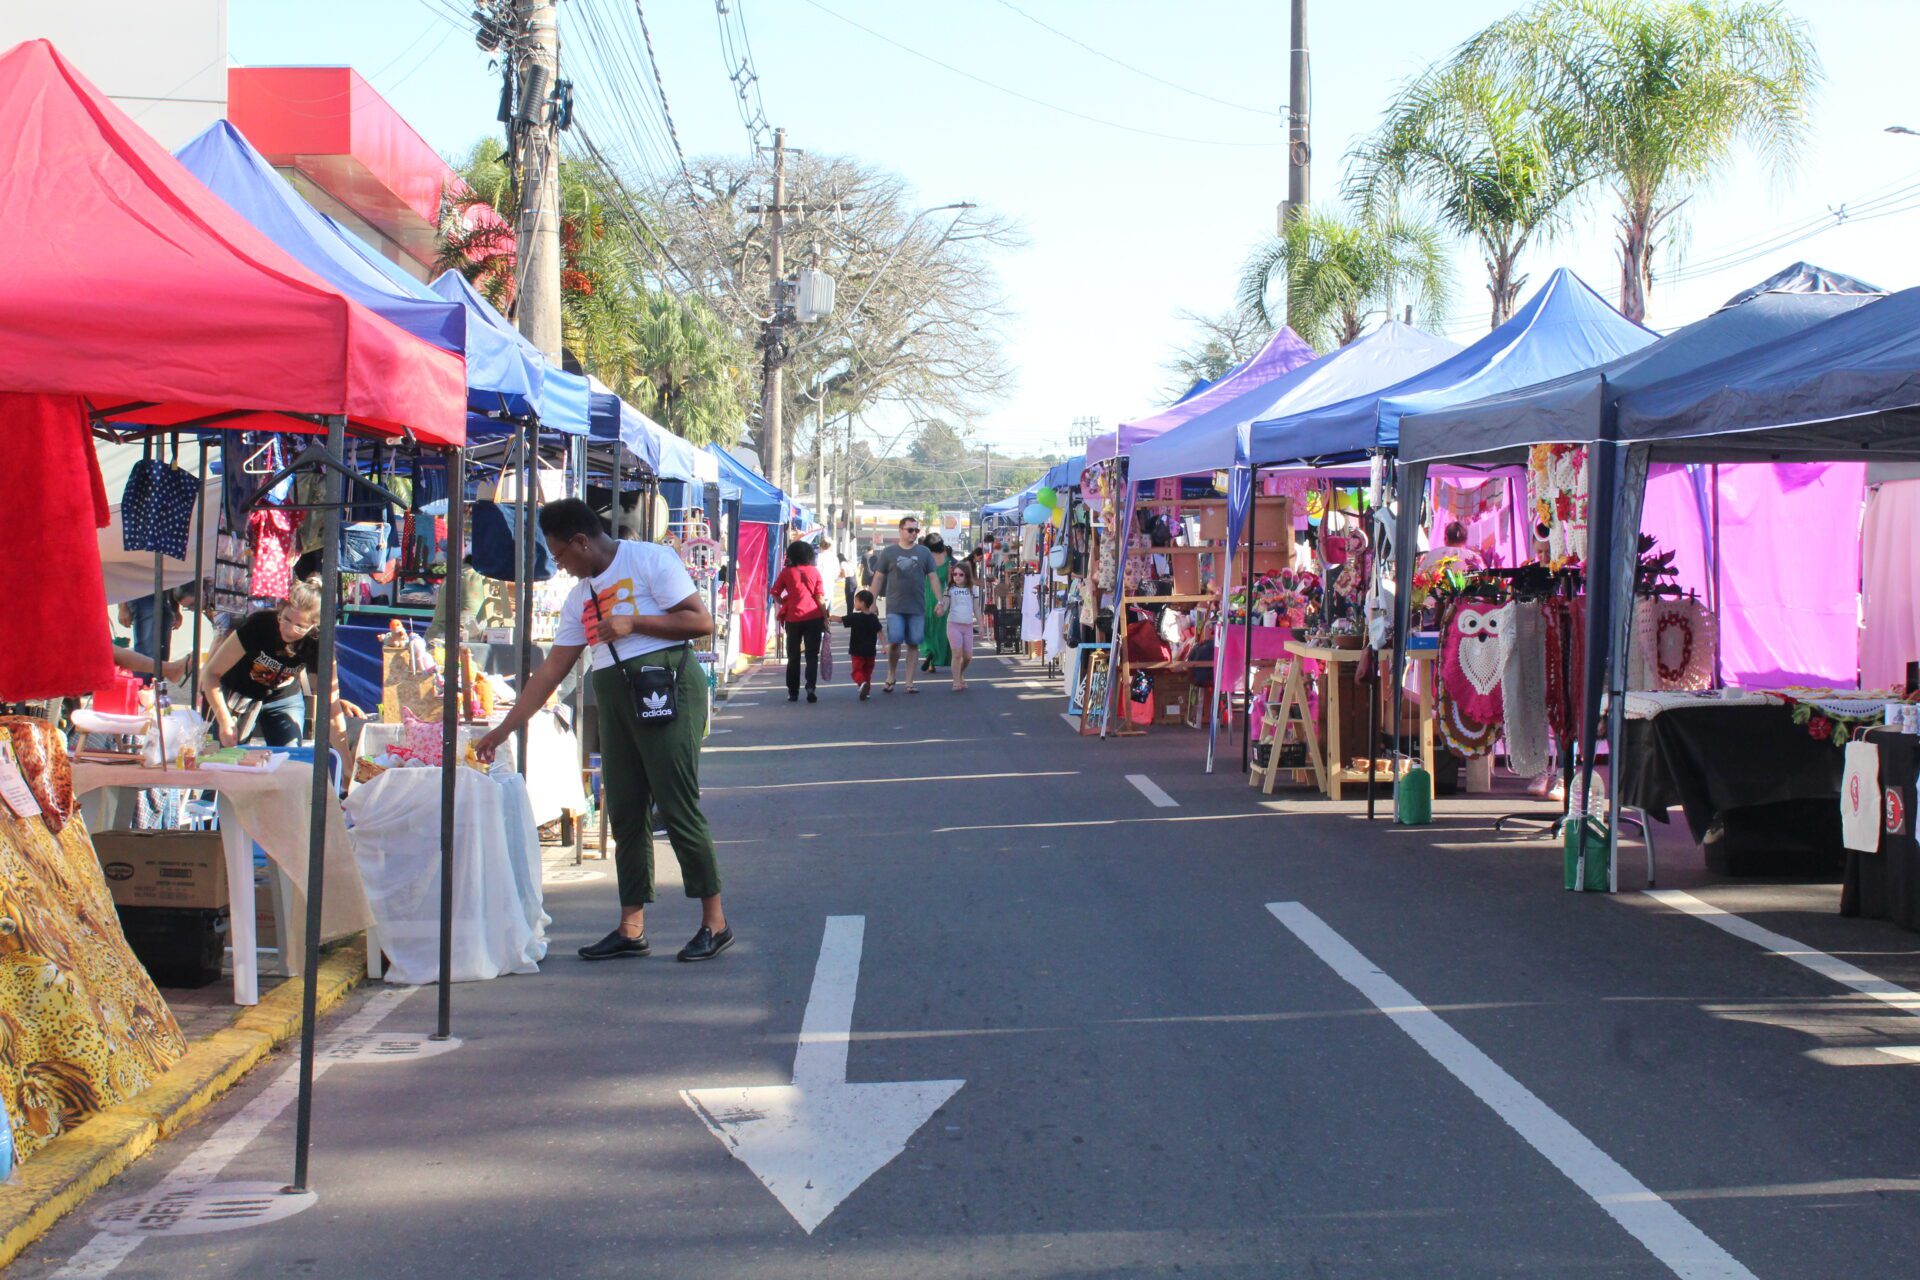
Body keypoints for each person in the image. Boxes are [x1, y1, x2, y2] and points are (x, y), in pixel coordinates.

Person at [473, 498, 731, 963]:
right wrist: (503, 729)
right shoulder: (579, 599)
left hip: (665, 687)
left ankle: (715, 921)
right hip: (616, 697)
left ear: (581, 540)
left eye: (561, 555)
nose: (562, 566)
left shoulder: (650, 559)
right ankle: (631, 927)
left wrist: (634, 622)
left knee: (676, 804)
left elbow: (700, 622)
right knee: (625, 811)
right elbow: (552, 670)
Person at [201, 578, 365, 748]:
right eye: (285, 619)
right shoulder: (258, 625)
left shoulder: (318, 643)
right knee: (229, 756)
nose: (288, 630)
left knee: (290, 754)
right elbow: (210, 674)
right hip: (236, 693)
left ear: (314, 627)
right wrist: (224, 720)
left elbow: (330, 703)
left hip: (282, 698)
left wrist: (346, 766)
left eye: (300, 626)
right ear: (280, 609)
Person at [868, 516, 941, 694]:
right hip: (895, 607)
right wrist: (871, 601)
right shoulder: (889, 552)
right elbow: (878, 577)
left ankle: (909, 681)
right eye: (910, 530)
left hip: (916, 607)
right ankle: (891, 674)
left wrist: (940, 601)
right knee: (895, 641)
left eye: (916, 530)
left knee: (913, 644)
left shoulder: (924, 553)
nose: (914, 534)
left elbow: (933, 577)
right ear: (901, 530)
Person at [772, 539, 830, 703]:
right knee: (812, 655)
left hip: (793, 618)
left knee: (793, 656)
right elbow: (819, 597)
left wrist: (786, 602)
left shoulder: (786, 572)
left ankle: (793, 691)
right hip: (813, 617)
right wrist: (825, 616)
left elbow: (775, 593)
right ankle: (810, 687)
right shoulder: (815, 572)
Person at [938, 559, 980, 691]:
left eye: (961, 574)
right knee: (956, 654)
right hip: (953, 624)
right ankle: (956, 681)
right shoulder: (950, 589)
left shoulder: (973, 589)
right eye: (955, 574)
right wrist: (940, 609)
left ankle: (961, 674)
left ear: (966, 576)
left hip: (967, 626)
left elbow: (977, 609)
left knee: (967, 657)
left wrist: (982, 626)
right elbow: (944, 605)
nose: (957, 577)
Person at [919, 533, 953, 674]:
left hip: (925, 597)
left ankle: (929, 654)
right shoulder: (946, 560)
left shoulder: (925, 558)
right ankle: (937, 655)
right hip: (941, 599)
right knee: (941, 630)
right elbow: (950, 582)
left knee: (926, 628)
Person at [842, 589, 882, 700]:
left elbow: (840, 619)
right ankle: (866, 691)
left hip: (857, 650)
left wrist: (829, 616)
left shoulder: (855, 617)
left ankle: (862, 683)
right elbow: (880, 632)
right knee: (867, 671)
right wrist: (883, 646)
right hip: (870, 651)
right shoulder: (873, 617)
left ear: (862, 603)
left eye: (856, 601)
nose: (854, 603)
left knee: (857, 671)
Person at [1417, 521, 1485, 575]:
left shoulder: (1432, 555)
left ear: (1446, 538)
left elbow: (1419, 579)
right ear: (1465, 540)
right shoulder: (1474, 557)